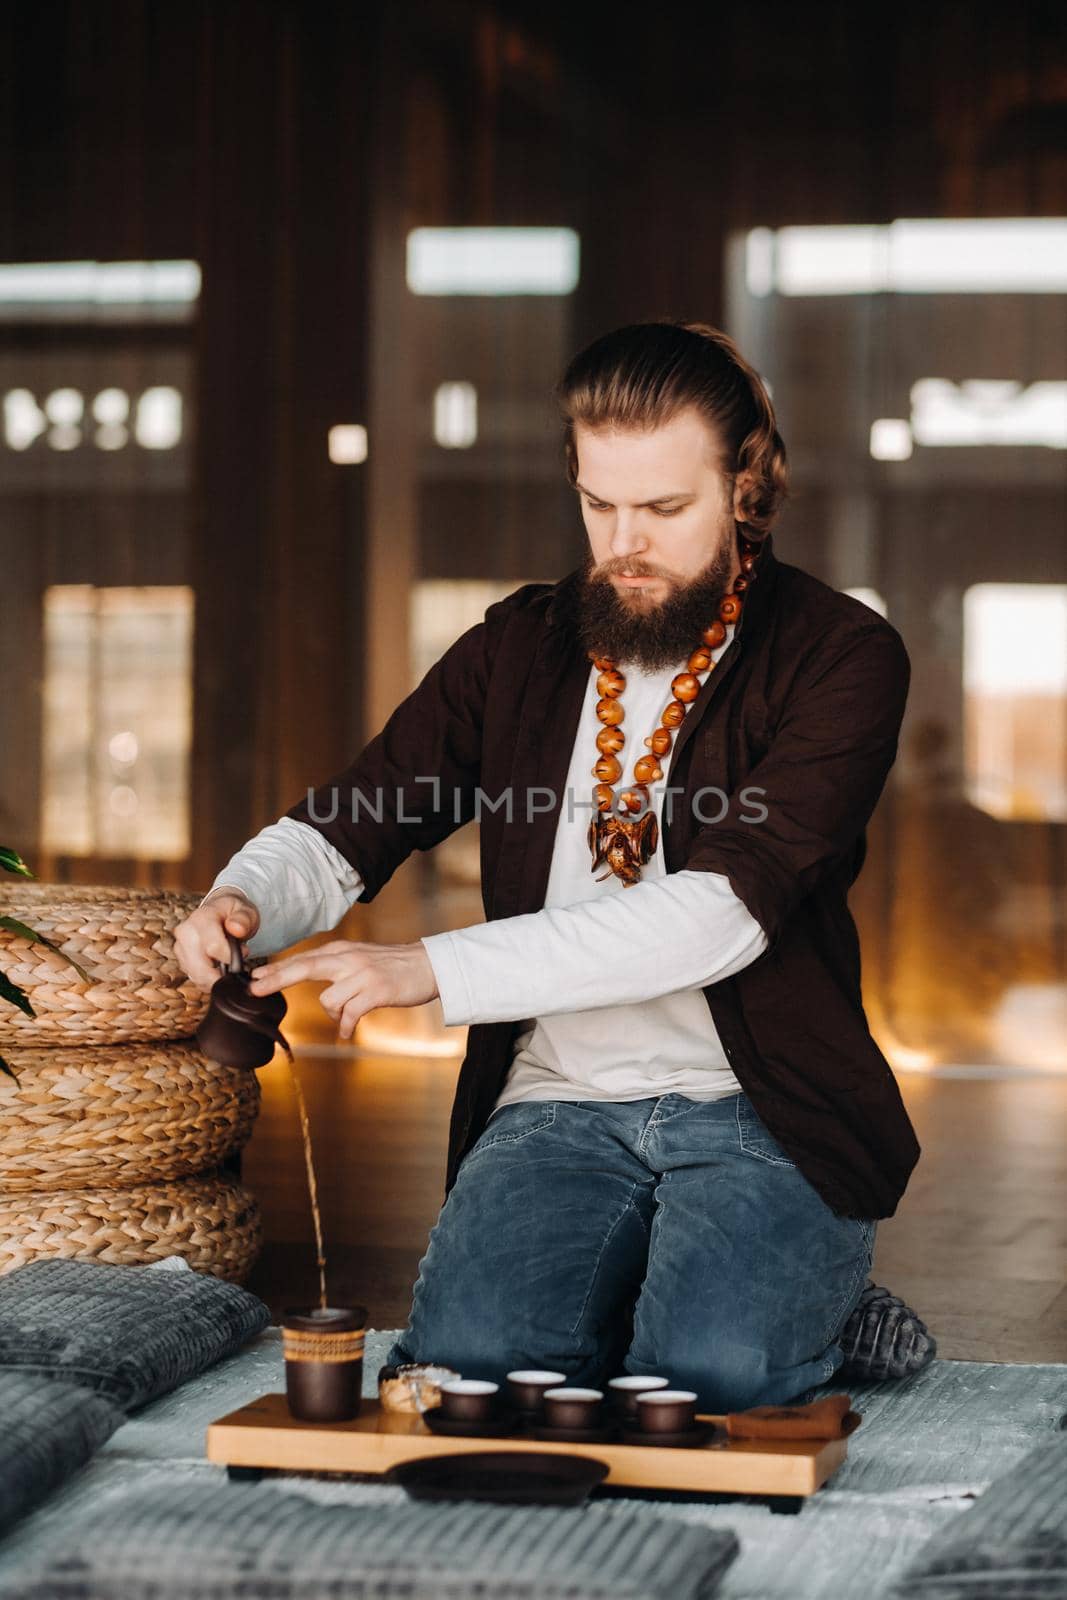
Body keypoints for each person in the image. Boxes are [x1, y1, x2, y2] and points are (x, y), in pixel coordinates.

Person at [175, 320, 923, 1411]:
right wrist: (246, 894)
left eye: (663, 509)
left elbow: (718, 914)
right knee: (469, 1373)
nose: (624, 542)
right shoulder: (514, 646)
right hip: (555, 1101)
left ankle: (806, 1292)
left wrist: (434, 967)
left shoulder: (840, 655)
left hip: (761, 1106)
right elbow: (353, 820)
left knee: (702, 1381)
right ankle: (736, 1285)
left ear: (745, 489)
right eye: (597, 502)